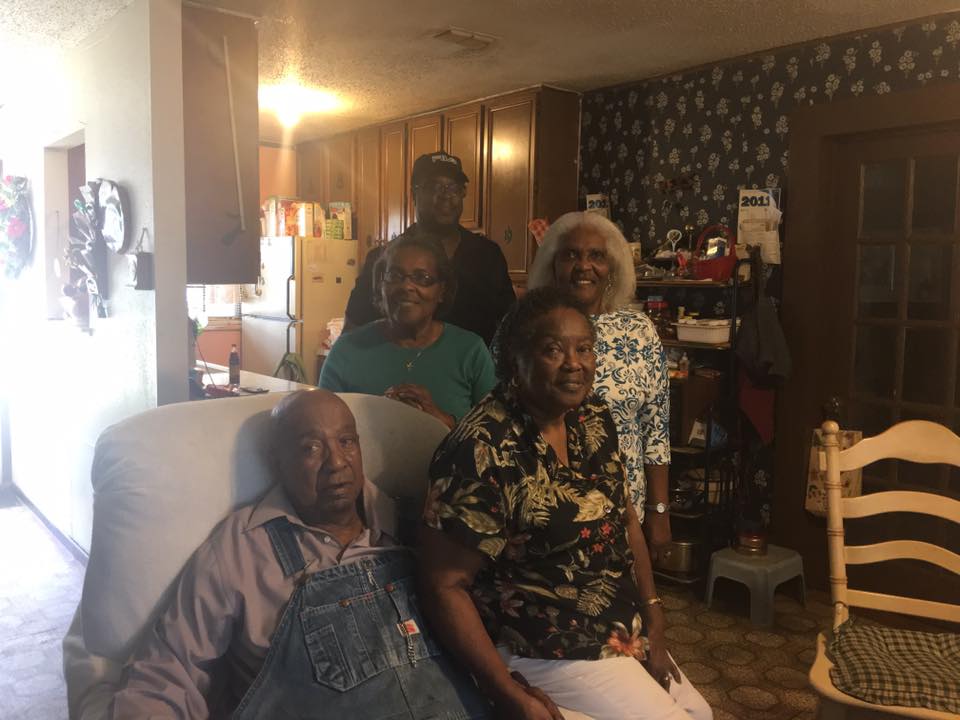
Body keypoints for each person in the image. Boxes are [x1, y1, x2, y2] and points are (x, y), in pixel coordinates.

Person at [418, 288, 711, 720]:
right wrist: (505, 691)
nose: (574, 363)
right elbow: (444, 585)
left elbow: (625, 516)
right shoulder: (482, 448)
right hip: (539, 642)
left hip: (613, 626)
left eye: (584, 348)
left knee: (699, 713)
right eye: (553, 350)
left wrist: (654, 616)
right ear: (516, 360)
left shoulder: (590, 416)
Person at [111, 390, 490, 719]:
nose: (337, 463)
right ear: (277, 461)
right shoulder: (241, 549)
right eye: (311, 448)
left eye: (347, 442)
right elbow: (168, 671)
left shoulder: (412, 526)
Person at [527, 212, 672, 558]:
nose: (584, 266)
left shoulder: (640, 331)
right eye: (570, 255)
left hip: (625, 513)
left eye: (596, 255)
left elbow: (656, 429)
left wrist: (659, 510)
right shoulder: (525, 327)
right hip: (543, 513)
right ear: (552, 264)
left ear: (613, 267)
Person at [320, 233, 496, 428]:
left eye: (422, 278)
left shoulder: (470, 351)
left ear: (442, 291)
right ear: (381, 286)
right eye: (394, 276)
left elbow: (498, 433)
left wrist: (441, 421)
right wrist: (377, 415)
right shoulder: (346, 351)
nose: (406, 286)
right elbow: (321, 428)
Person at [345, 151, 515, 346]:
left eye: (453, 187)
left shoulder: (488, 256)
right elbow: (352, 332)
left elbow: (510, 326)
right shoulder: (383, 259)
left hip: (473, 365)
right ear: (414, 194)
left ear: (462, 193)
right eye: (434, 186)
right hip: (399, 365)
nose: (445, 195)